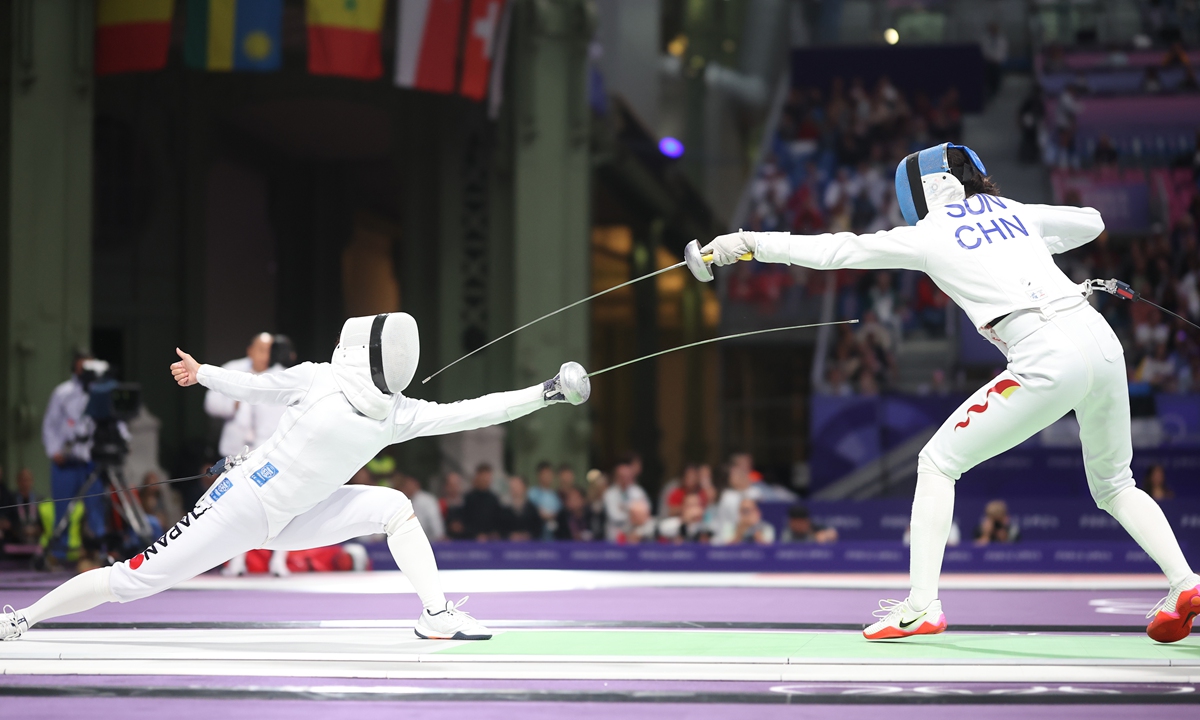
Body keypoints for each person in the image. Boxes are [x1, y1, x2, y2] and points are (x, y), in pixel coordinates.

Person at [701, 142, 1200, 644]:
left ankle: (921, 606)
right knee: (1116, 484)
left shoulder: (928, 235)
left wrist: (744, 242)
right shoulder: (1013, 212)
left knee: (938, 463)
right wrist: (1026, 243)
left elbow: (836, 249)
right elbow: (1092, 221)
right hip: (1102, 342)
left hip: (1047, 355)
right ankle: (1185, 584)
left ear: (917, 191)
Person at [2, 312, 590, 642]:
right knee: (135, 581)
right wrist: (205, 373)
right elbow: (256, 385)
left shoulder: (371, 401)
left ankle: (435, 616)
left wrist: (545, 392)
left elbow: (478, 409)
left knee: (393, 507)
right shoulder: (363, 398)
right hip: (241, 502)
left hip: (300, 514)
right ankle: (19, 619)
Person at [205, 333, 292, 577]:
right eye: (260, 350)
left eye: (269, 351)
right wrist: (234, 404)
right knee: (234, 504)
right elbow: (212, 403)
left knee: (280, 504)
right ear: (250, 350)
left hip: (271, 451)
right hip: (237, 449)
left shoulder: (281, 377)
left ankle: (278, 561)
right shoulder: (233, 370)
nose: (264, 356)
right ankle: (235, 561)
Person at [42, 351, 116, 554]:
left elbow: (113, 420)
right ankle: (60, 553)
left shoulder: (101, 391)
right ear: (75, 368)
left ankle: (99, 551)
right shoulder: (63, 393)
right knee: (63, 508)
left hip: (91, 459)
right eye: (83, 367)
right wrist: (54, 450)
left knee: (96, 507)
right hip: (66, 459)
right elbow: (50, 424)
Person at [602, 457, 649, 542]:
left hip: (636, 535)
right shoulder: (610, 494)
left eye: (628, 477)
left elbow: (645, 513)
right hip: (615, 535)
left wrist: (625, 508)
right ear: (616, 477)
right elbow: (615, 516)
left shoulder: (638, 492)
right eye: (622, 477)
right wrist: (633, 513)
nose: (625, 479)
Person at [462, 464, 505, 541]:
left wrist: (493, 533)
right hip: (470, 541)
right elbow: (464, 521)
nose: (486, 480)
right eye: (483, 477)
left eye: (488, 477)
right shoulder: (468, 498)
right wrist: (475, 534)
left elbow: (499, 521)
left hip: (490, 542)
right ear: (478, 477)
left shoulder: (494, 499)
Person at [399, 474, 445, 542]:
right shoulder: (401, 501)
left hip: (428, 540)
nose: (407, 487)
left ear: (416, 485)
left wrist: (439, 535)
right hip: (406, 541)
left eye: (409, 484)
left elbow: (434, 519)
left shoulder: (427, 500)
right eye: (405, 485)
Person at [526, 461, 561, 539]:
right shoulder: (531, 493)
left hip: (552, 537)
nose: (547, 477)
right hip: (536, 536)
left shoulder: (556, 496)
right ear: (539, 475)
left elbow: (559, 513)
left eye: (549, 474)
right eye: (544, 474)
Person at [503, 476, 543, 541]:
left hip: (529, 547)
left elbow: (537, 529)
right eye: (512, 487)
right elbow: (501, 529)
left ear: (524, 487)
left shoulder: (532, 509)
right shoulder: (504, 510)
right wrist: (510, 535)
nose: (514, 489)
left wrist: (528, 535)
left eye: (517, 486)